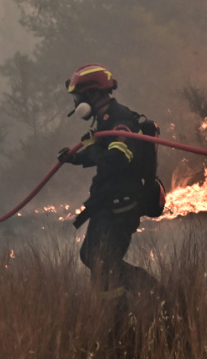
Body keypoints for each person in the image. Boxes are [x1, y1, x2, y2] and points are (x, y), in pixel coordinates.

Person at [57, 64, 159, 302]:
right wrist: (76, 158)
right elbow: (105, 153)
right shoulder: (106, 119)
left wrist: (92, 148)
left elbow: (117, 161)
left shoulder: (118, 120)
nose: (76, 102)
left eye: (78, 96)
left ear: (92, 93)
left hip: (121, 206)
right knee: (92, 257)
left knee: (102, 262)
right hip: (108, 202)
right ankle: (122, 307)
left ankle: (151, 296)